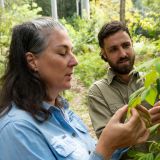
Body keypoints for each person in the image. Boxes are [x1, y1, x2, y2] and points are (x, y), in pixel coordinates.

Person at [0, 17, 149, 160]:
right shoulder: (17, 129)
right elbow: (101, 153)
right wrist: (106, 147)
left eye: (72, 51)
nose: (75, 61)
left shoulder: (64, 112)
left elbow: (91, 154)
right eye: (63, 53)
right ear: (32, 61)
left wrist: (124, 138)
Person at [88, 21, 160, 159]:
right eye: (113, 49)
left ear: (132, 44)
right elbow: (109, 144)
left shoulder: (153, 81)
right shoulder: (97, 92)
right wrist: (142, 123)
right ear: (104, 54)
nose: (122, 54)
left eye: (126, 45)